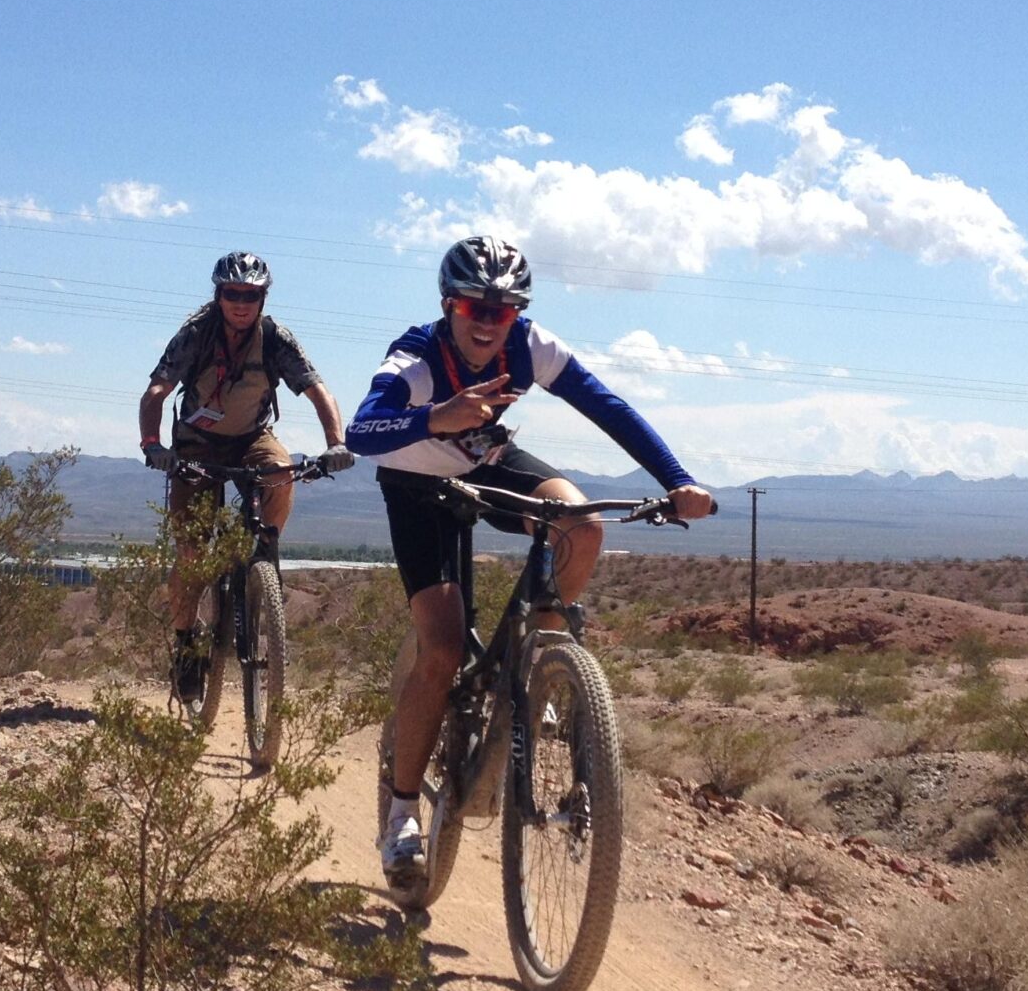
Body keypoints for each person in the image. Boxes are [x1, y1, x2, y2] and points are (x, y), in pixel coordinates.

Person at [347, 234, 713, 895]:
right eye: (473, 307)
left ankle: (536, 661)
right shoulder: (417, 357)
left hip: (487, 464)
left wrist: (677, 479)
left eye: (504, 310)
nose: (488, 322)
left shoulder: (531, 346)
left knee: (581, 526)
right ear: (447, 305)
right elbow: (360, 431)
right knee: (442, 646)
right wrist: (435, 417)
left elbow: (608, 407)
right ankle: (402, 814)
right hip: (416, 488)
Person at [140, 252, 354, 709]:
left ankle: (260, 552)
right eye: (233, 294)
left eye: (250, 295)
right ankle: (185, 644)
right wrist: (153, 446)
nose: (241, 303)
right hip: (197, 444)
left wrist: (336, 443)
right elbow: (156, 391)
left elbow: (318, 390)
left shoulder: (275, 338)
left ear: (262, 298)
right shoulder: (196, 334)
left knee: (279, 472)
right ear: (218, 295)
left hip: (252, 437)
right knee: (192, 552)